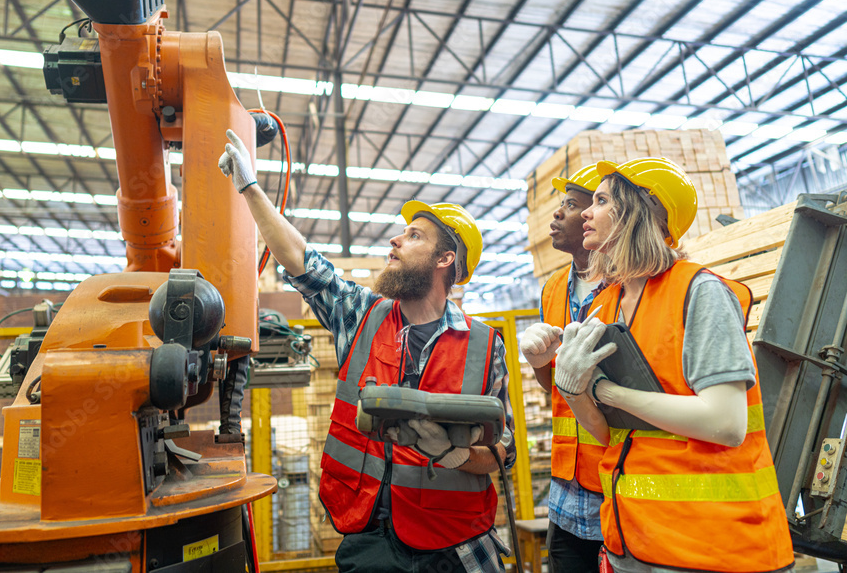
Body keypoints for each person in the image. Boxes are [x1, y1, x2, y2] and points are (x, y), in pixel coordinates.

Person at [219, 130, 516, 573]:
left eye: (413, 235)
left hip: (455, 546)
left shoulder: (485, 345)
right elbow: (301, 259)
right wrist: (250, 188)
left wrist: (451, 454)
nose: (395, 241)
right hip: (370, 536)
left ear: (445, 260)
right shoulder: (363, 314)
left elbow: (501, 452)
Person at [553, 157, 794, 573]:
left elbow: (726, 422)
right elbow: (607, 431)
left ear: (637, 212)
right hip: (634, 541)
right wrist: (573, 392)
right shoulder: (605, 305)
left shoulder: (698, 291)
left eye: (601, 200)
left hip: (713, 546)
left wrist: (609, 392)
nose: (586, 213)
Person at [517, 164, 607, 573]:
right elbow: (555, 385)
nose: (557, 214)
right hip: (566, 489)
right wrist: (539, 364)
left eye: (571, 205)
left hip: (616, 482)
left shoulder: (629, 283)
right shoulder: (553, 288)